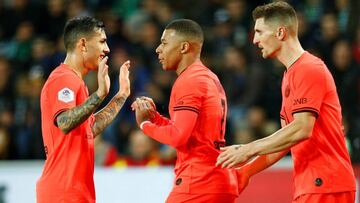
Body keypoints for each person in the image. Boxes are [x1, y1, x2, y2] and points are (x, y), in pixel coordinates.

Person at [216, 2, 356, 203]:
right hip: (311, 184)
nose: (255, 40)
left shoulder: (309, 68)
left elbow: (301, 129)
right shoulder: (290, 75)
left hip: (326, 184)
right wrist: (245, 171)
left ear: (280, 32)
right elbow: (286, 141)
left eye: (259, 31)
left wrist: (248, 149)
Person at [132, 19, 239, 203]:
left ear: (183, 47)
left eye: (164, 43)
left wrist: (144, 124)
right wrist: (155, 118)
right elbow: (192, 134)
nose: (158, 49)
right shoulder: (208, 77)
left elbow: (178, 137)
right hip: (217, 178)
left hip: (197, 182)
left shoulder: (189, 81)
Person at [36, 16, 131, 203]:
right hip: (63, 192)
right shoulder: (63, 79)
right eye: (102, 41)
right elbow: (64, 122)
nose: (107, 49)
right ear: (83, 44)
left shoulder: (76, 82)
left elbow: (89, 129)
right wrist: (99, 94)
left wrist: (121, 95)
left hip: (75, 191)